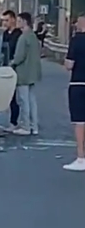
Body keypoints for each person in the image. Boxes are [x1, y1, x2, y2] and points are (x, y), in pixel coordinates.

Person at [11, 12, 42, 136]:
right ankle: (34, 126)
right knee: (32, 101)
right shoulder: (33, 37)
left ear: (24, 22)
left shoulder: (23, 37)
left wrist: (11, 63)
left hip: (23, 73)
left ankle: (25, 126)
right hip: (33, 73)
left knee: (24, 101)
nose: (17, 23)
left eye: (19, 21)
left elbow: (19, 57)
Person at [63, 12, 85, 171]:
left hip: (79, 84)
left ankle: (81, 157)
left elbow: (69, 64)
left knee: (80, 121)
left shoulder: (77, 40)